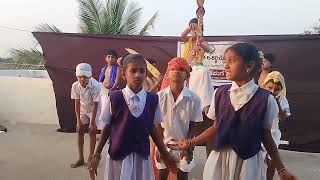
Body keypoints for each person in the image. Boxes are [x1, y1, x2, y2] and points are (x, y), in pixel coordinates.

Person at [168, 43, 296, 180]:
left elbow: (266, 136)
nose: (226, 66)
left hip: (248, 163)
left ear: (249, 66)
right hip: (219, 160)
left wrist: (281, 170)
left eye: (232, 61)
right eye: (225, 61)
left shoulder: (266, 100)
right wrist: (190, 143)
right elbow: (216, 127)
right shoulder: (219, 94)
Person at [89, 54, 177, 180]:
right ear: (124, 74)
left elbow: (152, 128)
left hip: (141, 157)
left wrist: (165, 154)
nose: (138, 75)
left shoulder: (152, 99)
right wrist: (96, 154)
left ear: (146, 74)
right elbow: (107, 127)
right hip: (118, 156)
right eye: (133, 71)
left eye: (142, 71)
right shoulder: (115, 98)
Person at [155, 57, 202, 180]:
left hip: (184, 144)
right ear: (167, 74)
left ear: (187, 75)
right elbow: (157, 125)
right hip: (164, 143)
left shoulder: (194, 98)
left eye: (182, 69)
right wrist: (160, 147)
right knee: (161, 175)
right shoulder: (159, 97)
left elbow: (193, 124)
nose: (177, 71)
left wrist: (188, 146)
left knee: (183, 175)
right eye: (173, 69)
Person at [70, 63, 103, 168]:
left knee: (92, 132)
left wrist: (92, 122)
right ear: (77, 76)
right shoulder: (75, 86)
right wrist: (78, 121)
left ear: (90, 76)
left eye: (85, 77)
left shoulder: (96, 86)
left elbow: (96, 104)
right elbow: (77, 102)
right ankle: (81, 158)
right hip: (83, 109)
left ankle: (90, 157)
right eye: (80, 76)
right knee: (79, 130)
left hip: (95, 109)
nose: (82, 79)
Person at [263, 71, 291, 180]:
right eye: (269, 88)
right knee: (257, 162)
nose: (272, 91)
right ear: (264, 85)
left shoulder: (282, 99)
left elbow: (283, 117)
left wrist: (277, 103)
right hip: (259, 133)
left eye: (276, 89)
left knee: (272, 163)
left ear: (281, 89)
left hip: (273, 134)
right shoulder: (260, 96)